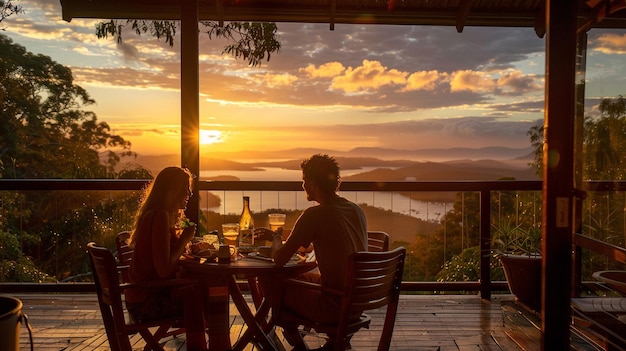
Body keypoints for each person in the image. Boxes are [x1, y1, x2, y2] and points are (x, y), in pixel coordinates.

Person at [256, 154, 368, 350]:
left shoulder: (315, 214)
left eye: (304, 180)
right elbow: (311, 245)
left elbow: (280, 259)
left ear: (313, 183)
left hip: (333, 306)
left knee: (270, 280)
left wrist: (275, 238)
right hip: (356, 303)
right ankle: (335, 342)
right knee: (298, 278)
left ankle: (291, 335)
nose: (303, 186)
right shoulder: (354, 209)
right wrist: (283, 238)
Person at [125, 166, 207, 351]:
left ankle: (205, 343)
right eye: (185, 188)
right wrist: (184, 240)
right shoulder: (160, 216)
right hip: (146, 302)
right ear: (172, 190)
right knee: (206, 290)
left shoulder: (157, 214)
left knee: (206, 285)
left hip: (140, 296)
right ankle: (206, 344)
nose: (189, 192)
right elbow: (163, 270)